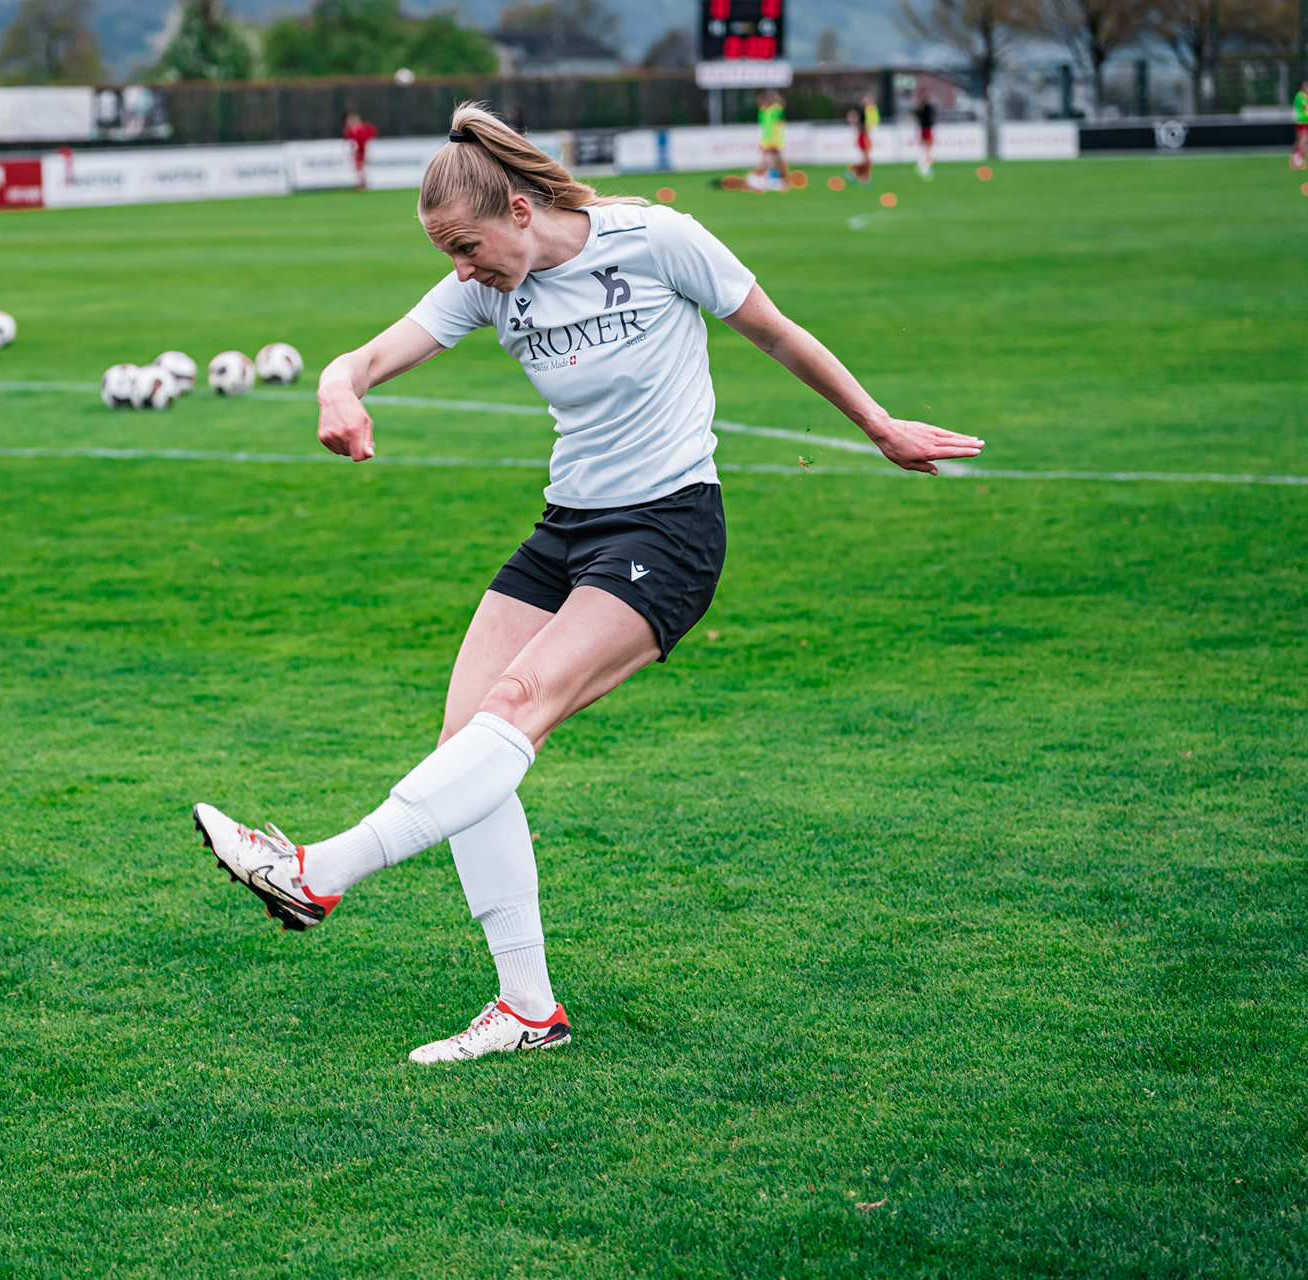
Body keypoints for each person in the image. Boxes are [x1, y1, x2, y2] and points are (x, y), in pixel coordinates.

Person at [192, 103, 984, 1065]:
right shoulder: (490, 285)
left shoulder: (657, 240)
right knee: (466, 745)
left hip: (668, 527)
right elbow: (363, 358)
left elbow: (777, 333)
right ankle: (527, 1009)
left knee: (515, 706)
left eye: (467, 246)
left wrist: (879, 426)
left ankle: (318, 872)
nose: (461, 270)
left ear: (521, 210)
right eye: (447, 254)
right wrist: (337, 391)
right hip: (567, 528)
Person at [754, 89, 788, 191]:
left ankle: (781, 180)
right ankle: (767, 180)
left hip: (775, 140)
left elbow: (782, 105)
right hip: (767, 140)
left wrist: (775, 96)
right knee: (768, 161)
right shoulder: (762, 112)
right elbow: (764, 128)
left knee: (776, 161)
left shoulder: (774, 110)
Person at [343, 109, 379, 191]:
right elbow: (349, 141)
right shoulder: (350, 130)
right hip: (356, 152)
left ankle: (363, 183)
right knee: (358, 168)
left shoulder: (364, 128)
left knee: (361, 168)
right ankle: (361, 183)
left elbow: (373, 133)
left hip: (364, 151)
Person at [847, 92, 877, 186]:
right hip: (862, 135)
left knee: (867, 159)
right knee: (867, 159)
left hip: (866, 135)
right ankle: (857, 173)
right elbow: (851, 116)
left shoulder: (869, 111)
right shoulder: (860, 110)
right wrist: (856, 122)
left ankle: (859, 175)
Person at [914, 90, 937, 180]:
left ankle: (924, 165)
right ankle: (925, 166)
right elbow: (933, 117)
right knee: (928, 149)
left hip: (924, 129)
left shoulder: (921, 108)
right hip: (926, 129)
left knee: (925, 149)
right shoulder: (928, 108)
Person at [1291, 79, 1306, 171]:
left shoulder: (1304, 96)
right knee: (1303, 140)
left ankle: (1299, 160)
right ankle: (1297, 159)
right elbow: (1305, 108)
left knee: (1303, 141)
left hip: (1304, 122)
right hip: (1302, 122)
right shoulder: (1300, 96)